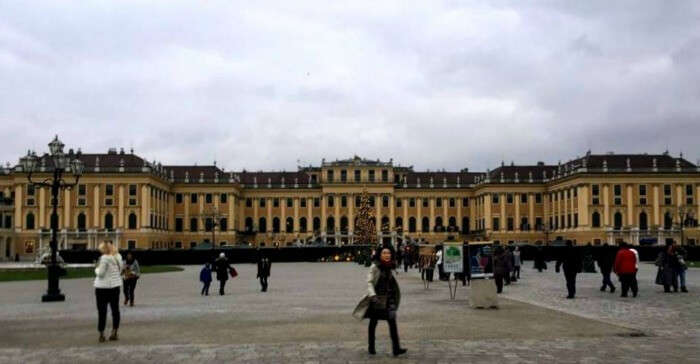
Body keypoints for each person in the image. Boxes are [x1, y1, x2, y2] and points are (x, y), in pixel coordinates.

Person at [355, 246, 407, 357]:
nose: (387, 255)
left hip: (389, 300)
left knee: (392, 321)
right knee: (373, 323)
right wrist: (373, 295)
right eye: (384, 253)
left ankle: (396, 348)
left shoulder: (391, 266)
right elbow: (369, 282)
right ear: (380, 254)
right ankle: (371, 346)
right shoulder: (375, 266)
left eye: (388, 253)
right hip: (377, 299)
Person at [94, 241, 124, 342]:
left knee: (102, 311)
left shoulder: (104, 258)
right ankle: (114, 331)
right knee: (115, 310)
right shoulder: (118, 257)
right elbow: (120, 270)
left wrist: (96, 269)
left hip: (102, 287)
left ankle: (101, 333)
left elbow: (101, 273)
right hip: (115, 286)